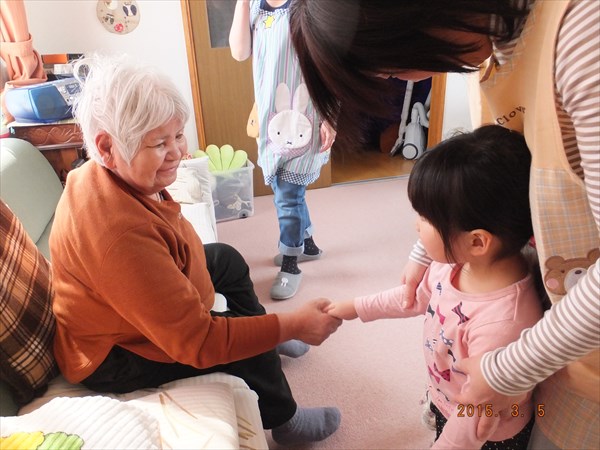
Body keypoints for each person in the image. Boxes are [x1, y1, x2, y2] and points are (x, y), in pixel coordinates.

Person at [289, 1, 600, 448]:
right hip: (546, 346)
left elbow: (476, 420)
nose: (405, 80)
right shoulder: (498, 40)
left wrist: (509, 370)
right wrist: (421, 255)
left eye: (392, 67)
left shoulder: (582, 33)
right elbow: (482, 189)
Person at [49, 53, 342, 446]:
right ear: (107, 147)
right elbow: (198, 342)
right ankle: (285, 419)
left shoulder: (109, 174)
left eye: (178, 136)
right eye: (159, 143)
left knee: (226, 260)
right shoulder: (118, 234)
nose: (177, 152)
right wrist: (291, 323)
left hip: (126, 303)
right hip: (111, 354)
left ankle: (265, 340)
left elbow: (164, 235)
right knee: (238, 344)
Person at [327, 125, 543, 449]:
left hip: (489, 434)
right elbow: (412, 298)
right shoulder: (452, 265)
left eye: (426, 219)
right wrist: (355, 307)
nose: (416, 225)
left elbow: (475, 417)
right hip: (447, 399)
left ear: (477, 241)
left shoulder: (503, 323)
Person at [229, 0, 335, 300]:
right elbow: (239, 52)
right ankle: (308, 245)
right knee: (283, 185)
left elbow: (330, 63)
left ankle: (291, 265)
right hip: (271, 115)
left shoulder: (310, 5)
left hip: (306, 112)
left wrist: (331, 116)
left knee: (287, 195)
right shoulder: (254, 5)